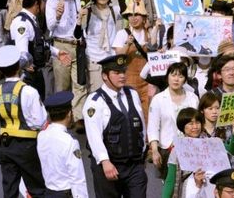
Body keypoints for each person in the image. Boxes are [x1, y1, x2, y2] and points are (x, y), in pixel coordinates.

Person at [83, 54, 147, 198]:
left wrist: (143, 152)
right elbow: (94, 136)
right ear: (105, 76)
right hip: (110, 165)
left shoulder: (132, 94)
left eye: (123, 72)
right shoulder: (95, 102)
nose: (122, 76)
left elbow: (140, 125)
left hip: (134, 165)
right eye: (117, 73)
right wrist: (105, 162)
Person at [0, 45, 46, 197]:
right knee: (37, 188)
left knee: (10, 189)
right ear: (18, 66)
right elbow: (40, 122)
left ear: (1, 70)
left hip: (6, 144)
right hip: (27, 145)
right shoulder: (28, 91)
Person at [10, 0, 71, 100]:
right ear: (37, 3)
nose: (44, 5)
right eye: (42, 1)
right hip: (27, 75)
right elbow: (22, 50)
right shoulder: (22, 23)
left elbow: (40, 42)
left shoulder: (31, 19)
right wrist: (26, 63)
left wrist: (57, 53)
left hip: (35, 72)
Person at [162, 107, 234, 198]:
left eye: (198, 122)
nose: (195, 127)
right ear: (182, 126)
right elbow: (170, 180)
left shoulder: (210, 143)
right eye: (190, 123)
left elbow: (231, 151)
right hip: (189, 191)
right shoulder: (178, 148)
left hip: (211, 188)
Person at [46, 0, 88, 133]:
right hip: (61, 44)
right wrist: (58, 16)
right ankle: (63, 116)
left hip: (78, 45)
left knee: (79, 83)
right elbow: (49, 26)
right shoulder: (52, 1)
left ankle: (78, 117)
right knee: (62, 84)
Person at [148, 62, 199, 179]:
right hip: (167, 148)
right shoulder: (158, 99)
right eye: (173, 75)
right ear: (167, 77)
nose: (176, 79)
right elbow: (153, 127)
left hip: (190, 148)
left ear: (185, 79)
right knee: (170, 185)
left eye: (180, 76)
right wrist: (155, 150)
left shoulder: (193, 98)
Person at [37, 91, 88, 197]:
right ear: (69, 113)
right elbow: (77, 178)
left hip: (49, 192)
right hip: (65, 194)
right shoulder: (70, 142)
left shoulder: (41, 136)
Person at [75, 0, 118, 92]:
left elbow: (127, 11)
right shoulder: (88, 11)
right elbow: (77, 34)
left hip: (111, 59)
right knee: (96, 93)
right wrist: (79, 20)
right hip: (94, 61)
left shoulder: (114, 10)